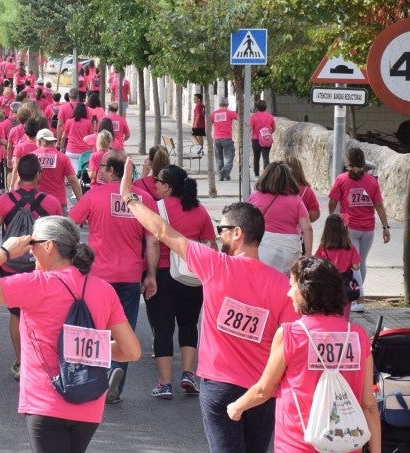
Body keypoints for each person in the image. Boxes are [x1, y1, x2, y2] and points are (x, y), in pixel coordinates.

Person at [120, 156, 298, 453]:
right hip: (262, 391)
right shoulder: (283, 287)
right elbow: (293, 343)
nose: (219, 233)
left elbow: (162, 231)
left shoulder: (215, 266)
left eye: (223, 228)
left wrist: (128, 194)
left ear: (238, 234)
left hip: (220, 386)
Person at [0, 216, 141, 453]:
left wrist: (5, 251)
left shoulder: (36, 284)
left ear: (49, 246)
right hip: (89, 403)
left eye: (33, 244)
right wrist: (86, 347)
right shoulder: (104, 289)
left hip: (47, 402)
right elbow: (132, 351)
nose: (29, 252)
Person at [226, 256, 380, 453]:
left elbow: (264, 390)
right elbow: (369, 406)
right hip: (345, 445)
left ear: (306, 292)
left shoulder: (291, 334)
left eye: (293, 286)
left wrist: (237, 407)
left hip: (297, 445)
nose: (289, 293)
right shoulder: (358, 337)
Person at [69, 149, 159, 404]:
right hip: (130, 276)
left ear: (113, 171)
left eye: (103, 166)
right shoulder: (143, 199)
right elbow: (152, 242)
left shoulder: (94, 195)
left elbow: (70, 224)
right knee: (124, 329)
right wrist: (151, 275)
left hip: (98, 276)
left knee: (95, 328)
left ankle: (96, 379)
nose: (98, 169)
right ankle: (116, 375)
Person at [0, 154, 63, 379]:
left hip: (12, 267)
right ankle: (43, 359)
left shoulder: (5, 200)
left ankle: (21, 362)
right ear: (39, 174)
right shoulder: (51, 202)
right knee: (44, 314)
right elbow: (62, 235)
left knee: (16, 315)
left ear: (18, 175)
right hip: (42, 266)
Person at [145, 165, 216, 399]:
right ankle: (188, 374)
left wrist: (151, 275)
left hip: (164, 274)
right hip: (192, 276)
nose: (154, 184)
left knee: (162, 329)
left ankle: (165, 384)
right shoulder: (199, 210)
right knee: (188, 325)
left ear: (168, 186)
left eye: (158, 180)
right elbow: (209, 244)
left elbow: (153, 243)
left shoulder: (157, 208)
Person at [328, 147, 390, 312]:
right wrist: (385, 227)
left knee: (353, 263)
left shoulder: (341, 179)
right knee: (361, 262)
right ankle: (357, 294)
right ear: (363, 162)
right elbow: (379, 205)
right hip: (368, 228)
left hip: (349, 227)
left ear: (348, 162)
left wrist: (332, 216)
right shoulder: (372, 181)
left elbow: (332, 200)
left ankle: (357, 299)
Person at [248, 162, 313, 274]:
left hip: (263, 247)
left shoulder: (255, 197)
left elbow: (248, 224)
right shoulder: (295, 200)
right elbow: (307, 229)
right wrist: (308, 256)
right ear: (288, 179)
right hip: (290, 250)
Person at [315, 214, 362, 320]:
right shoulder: (350, 247)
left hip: (328, 285)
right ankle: (344, 331)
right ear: (343, 229)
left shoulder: (323, 248)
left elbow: (316, 263)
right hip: (345, 285)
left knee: (329, 312)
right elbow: (356, 267)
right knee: (344, 315)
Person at [32, 128, 83, 214]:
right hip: (58, 203)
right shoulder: (63, 158)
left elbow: (22, 181)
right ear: (52, 142)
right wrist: (81, 203)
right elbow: (73, 180)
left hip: (36, 202)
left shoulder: (32, 156)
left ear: (40, 142)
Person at [59, 102, 94, 175]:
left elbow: (63, 137)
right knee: (82, 172)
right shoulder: (88, 123)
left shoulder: (69, 121)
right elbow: (91, 138)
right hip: (84, 152)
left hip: (71, 151)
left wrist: (62, 147)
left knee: (73, 172)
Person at [284, 156, 320, 224]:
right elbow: (315, 213)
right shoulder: (307, 190)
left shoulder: (276, 188)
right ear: (300, 170)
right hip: (298, 230)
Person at [211, 96, 238, 181]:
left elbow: (209, 122)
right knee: (230, 156)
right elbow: (239, 117)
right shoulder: (229, 113)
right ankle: (225, 170)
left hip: (216, 138)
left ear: (219, 104)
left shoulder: (214, 114)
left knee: (219, 158)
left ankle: (221, 176)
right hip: (226, 138)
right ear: (227, 104)